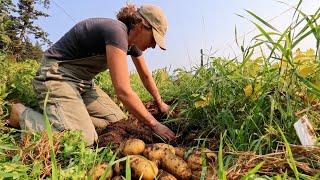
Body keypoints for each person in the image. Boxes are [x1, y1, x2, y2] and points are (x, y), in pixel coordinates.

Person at [7, 4, 176, 145]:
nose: (153, 45)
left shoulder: (133, 45)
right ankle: (21, 115)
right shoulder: (116, 32)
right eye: (153, 38)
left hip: (83, 84)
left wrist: (160, 103)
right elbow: (123, 90)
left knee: (119, 123)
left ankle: (69, 116)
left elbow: (145, 76)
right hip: (56, 76)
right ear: (140, 25)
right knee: (84, 140)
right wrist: (154, 124)